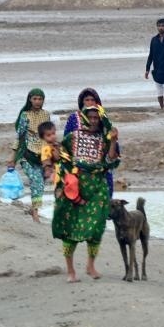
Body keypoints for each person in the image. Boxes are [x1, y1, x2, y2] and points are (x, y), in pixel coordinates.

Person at [52, 102, 120, 283]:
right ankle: (71, 271)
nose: (93, 120)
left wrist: (113, 141)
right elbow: (61, 160)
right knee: (70, 228)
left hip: (97, 187)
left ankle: (91, 266)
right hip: (76, 187)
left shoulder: (105, 139)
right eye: (90, 117)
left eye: (96, 117)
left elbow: (110, 161)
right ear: (83, 118)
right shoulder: (72, 137)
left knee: (96, 227)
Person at [63, 88, 120, 196]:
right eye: (87, 100)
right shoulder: (74, 118)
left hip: (100, 165)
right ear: (82, 102)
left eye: (92, 100)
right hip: (79, 168)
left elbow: (110, 140)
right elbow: (66, 144)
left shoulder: (103, 118)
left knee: (104, 196)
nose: (90, 102)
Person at [7, 88, 52, 223]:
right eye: (35, 99)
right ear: (30, 100)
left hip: (42, 156)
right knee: (36, 181)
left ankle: (33, 209)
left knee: (40, 185)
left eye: (40, 99)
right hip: (27, 155)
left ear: (43, 100)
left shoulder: (46, 115)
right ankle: (36, 213)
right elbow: (20, 137)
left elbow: (48, 137)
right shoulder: (25, 115)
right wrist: (12, 157)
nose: (37, 101)